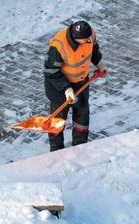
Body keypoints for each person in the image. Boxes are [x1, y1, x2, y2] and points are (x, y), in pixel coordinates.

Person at [43, 21, 106, 152]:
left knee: (82, 116)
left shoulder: (89, 34)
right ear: (77, 38)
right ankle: (56, 150)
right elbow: (50, 71)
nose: (89, 40)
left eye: (90, 38)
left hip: (82, 83)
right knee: (57, 121)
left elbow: (93, 50)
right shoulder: (58, 45)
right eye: (86, 39)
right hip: (59, 88)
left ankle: (80, 147)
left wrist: (100, 64)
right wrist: (67, 88)